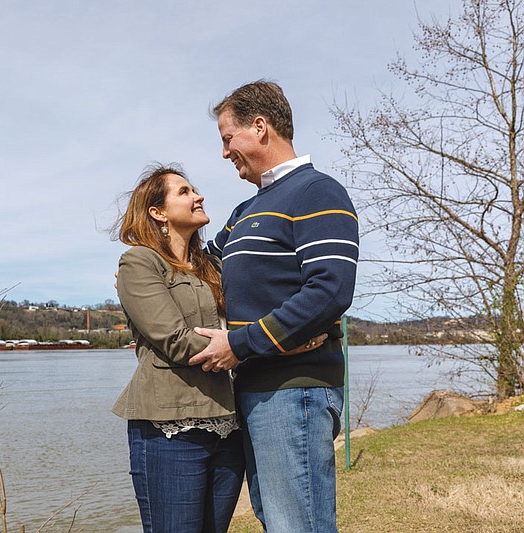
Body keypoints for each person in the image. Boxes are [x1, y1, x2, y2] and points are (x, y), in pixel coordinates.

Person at [189, 80, 359, 533]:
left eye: (228, 138)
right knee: (275, 518)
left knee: (296, 524)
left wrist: (241, 345)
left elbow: (330, 291)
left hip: (295, 390)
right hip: (254, 389)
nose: (225, 153)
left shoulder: (317, 192)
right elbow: (203, 270)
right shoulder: (246, 210)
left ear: (260, 127)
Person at [112, 164, 245, 533]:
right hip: (169, 430)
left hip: (230, 427)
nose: (198, 196)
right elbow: (173, 339)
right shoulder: (139, 261)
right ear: (158, 212)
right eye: (184, 192)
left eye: (195, 190)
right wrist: (243, 345)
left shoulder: (213, 267)